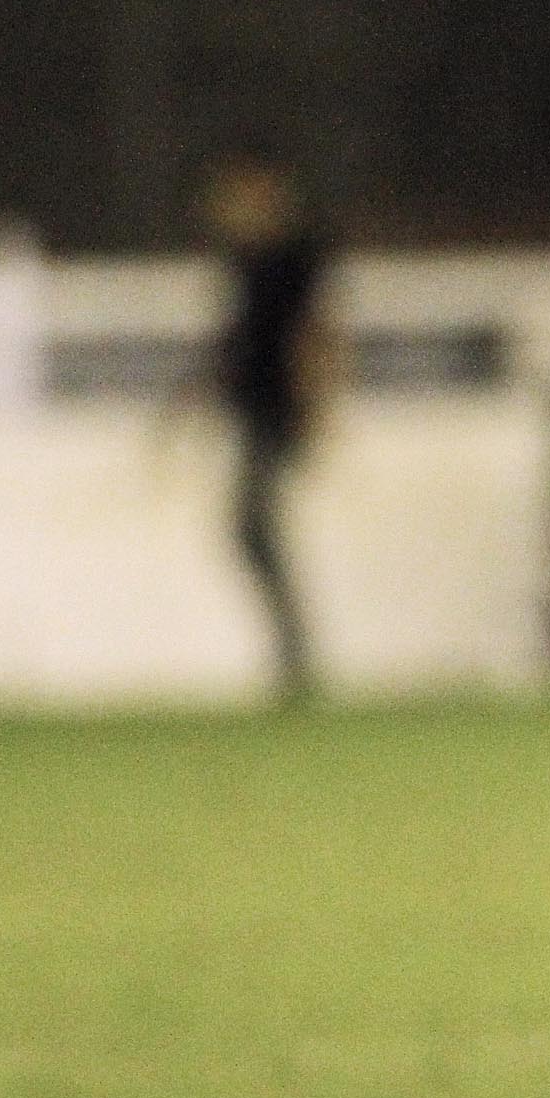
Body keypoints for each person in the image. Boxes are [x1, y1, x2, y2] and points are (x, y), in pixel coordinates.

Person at [201, 151, 341, 696]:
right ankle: (293, 653)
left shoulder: (295, 258)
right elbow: (234, 342)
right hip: (253, 410)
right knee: (251, 529)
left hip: (278, 412)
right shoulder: (243, 260)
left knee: (251, 525)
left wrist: (315, 407)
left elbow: (314, 333)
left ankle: (295, 657)